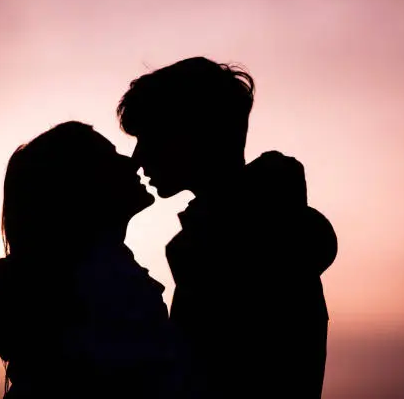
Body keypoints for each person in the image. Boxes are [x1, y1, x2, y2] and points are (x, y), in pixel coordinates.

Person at [117, 57, 338, 399]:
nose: (137, 157)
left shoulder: (242, 247)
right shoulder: (253, 232)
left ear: (192, 134)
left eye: (150, 136)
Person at [0, 122, 185, 399]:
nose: (131, 161)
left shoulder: (101, 276)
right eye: (110, 156)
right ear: (80, 183)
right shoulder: (92, 288)